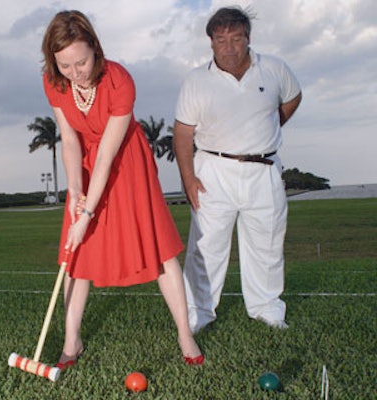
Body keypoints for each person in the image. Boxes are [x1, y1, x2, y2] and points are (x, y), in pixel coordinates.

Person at [41, 10, 204, 368]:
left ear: (95, 49)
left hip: (126, 163)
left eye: (81, 62)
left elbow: (108, 155)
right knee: (76, 254)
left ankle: (185, 335)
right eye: (65, 66)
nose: (75, 73)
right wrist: (74, 193)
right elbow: (69, 140)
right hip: (84, 163)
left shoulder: (119, 80)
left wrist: (88, 212)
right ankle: (72, 341)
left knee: (159, 248)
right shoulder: (54, 81)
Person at [174, 7, 302, 334]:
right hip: (213, 171)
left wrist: (266, 128)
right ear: (211, 43)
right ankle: (199, 314)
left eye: (236, 38)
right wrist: (188, 179)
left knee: (267, 244)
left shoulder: (275, 69)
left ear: (248, 39)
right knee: (207, 249)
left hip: (265, 170)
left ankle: (267, 310)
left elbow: (291, 100)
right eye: (221, 40)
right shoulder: (196, 80)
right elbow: (183, 134)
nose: (229, 47)